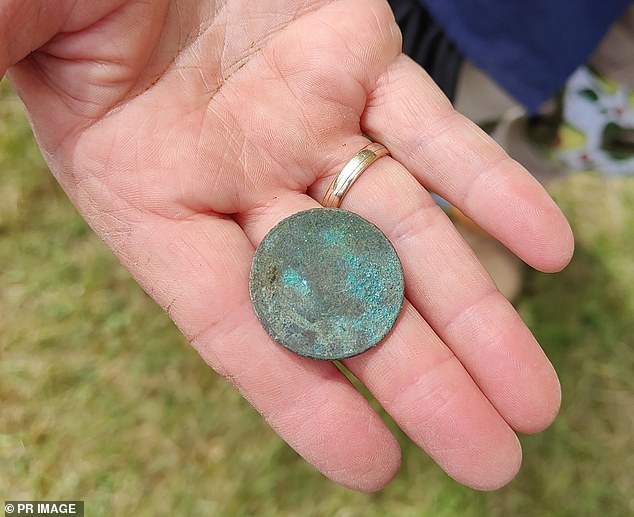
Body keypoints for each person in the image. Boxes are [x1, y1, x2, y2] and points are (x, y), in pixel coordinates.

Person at [2, 0, 576, 492]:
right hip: (463, 25)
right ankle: (463, 223)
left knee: (505, 133)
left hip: (576, 34)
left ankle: (466, 223)